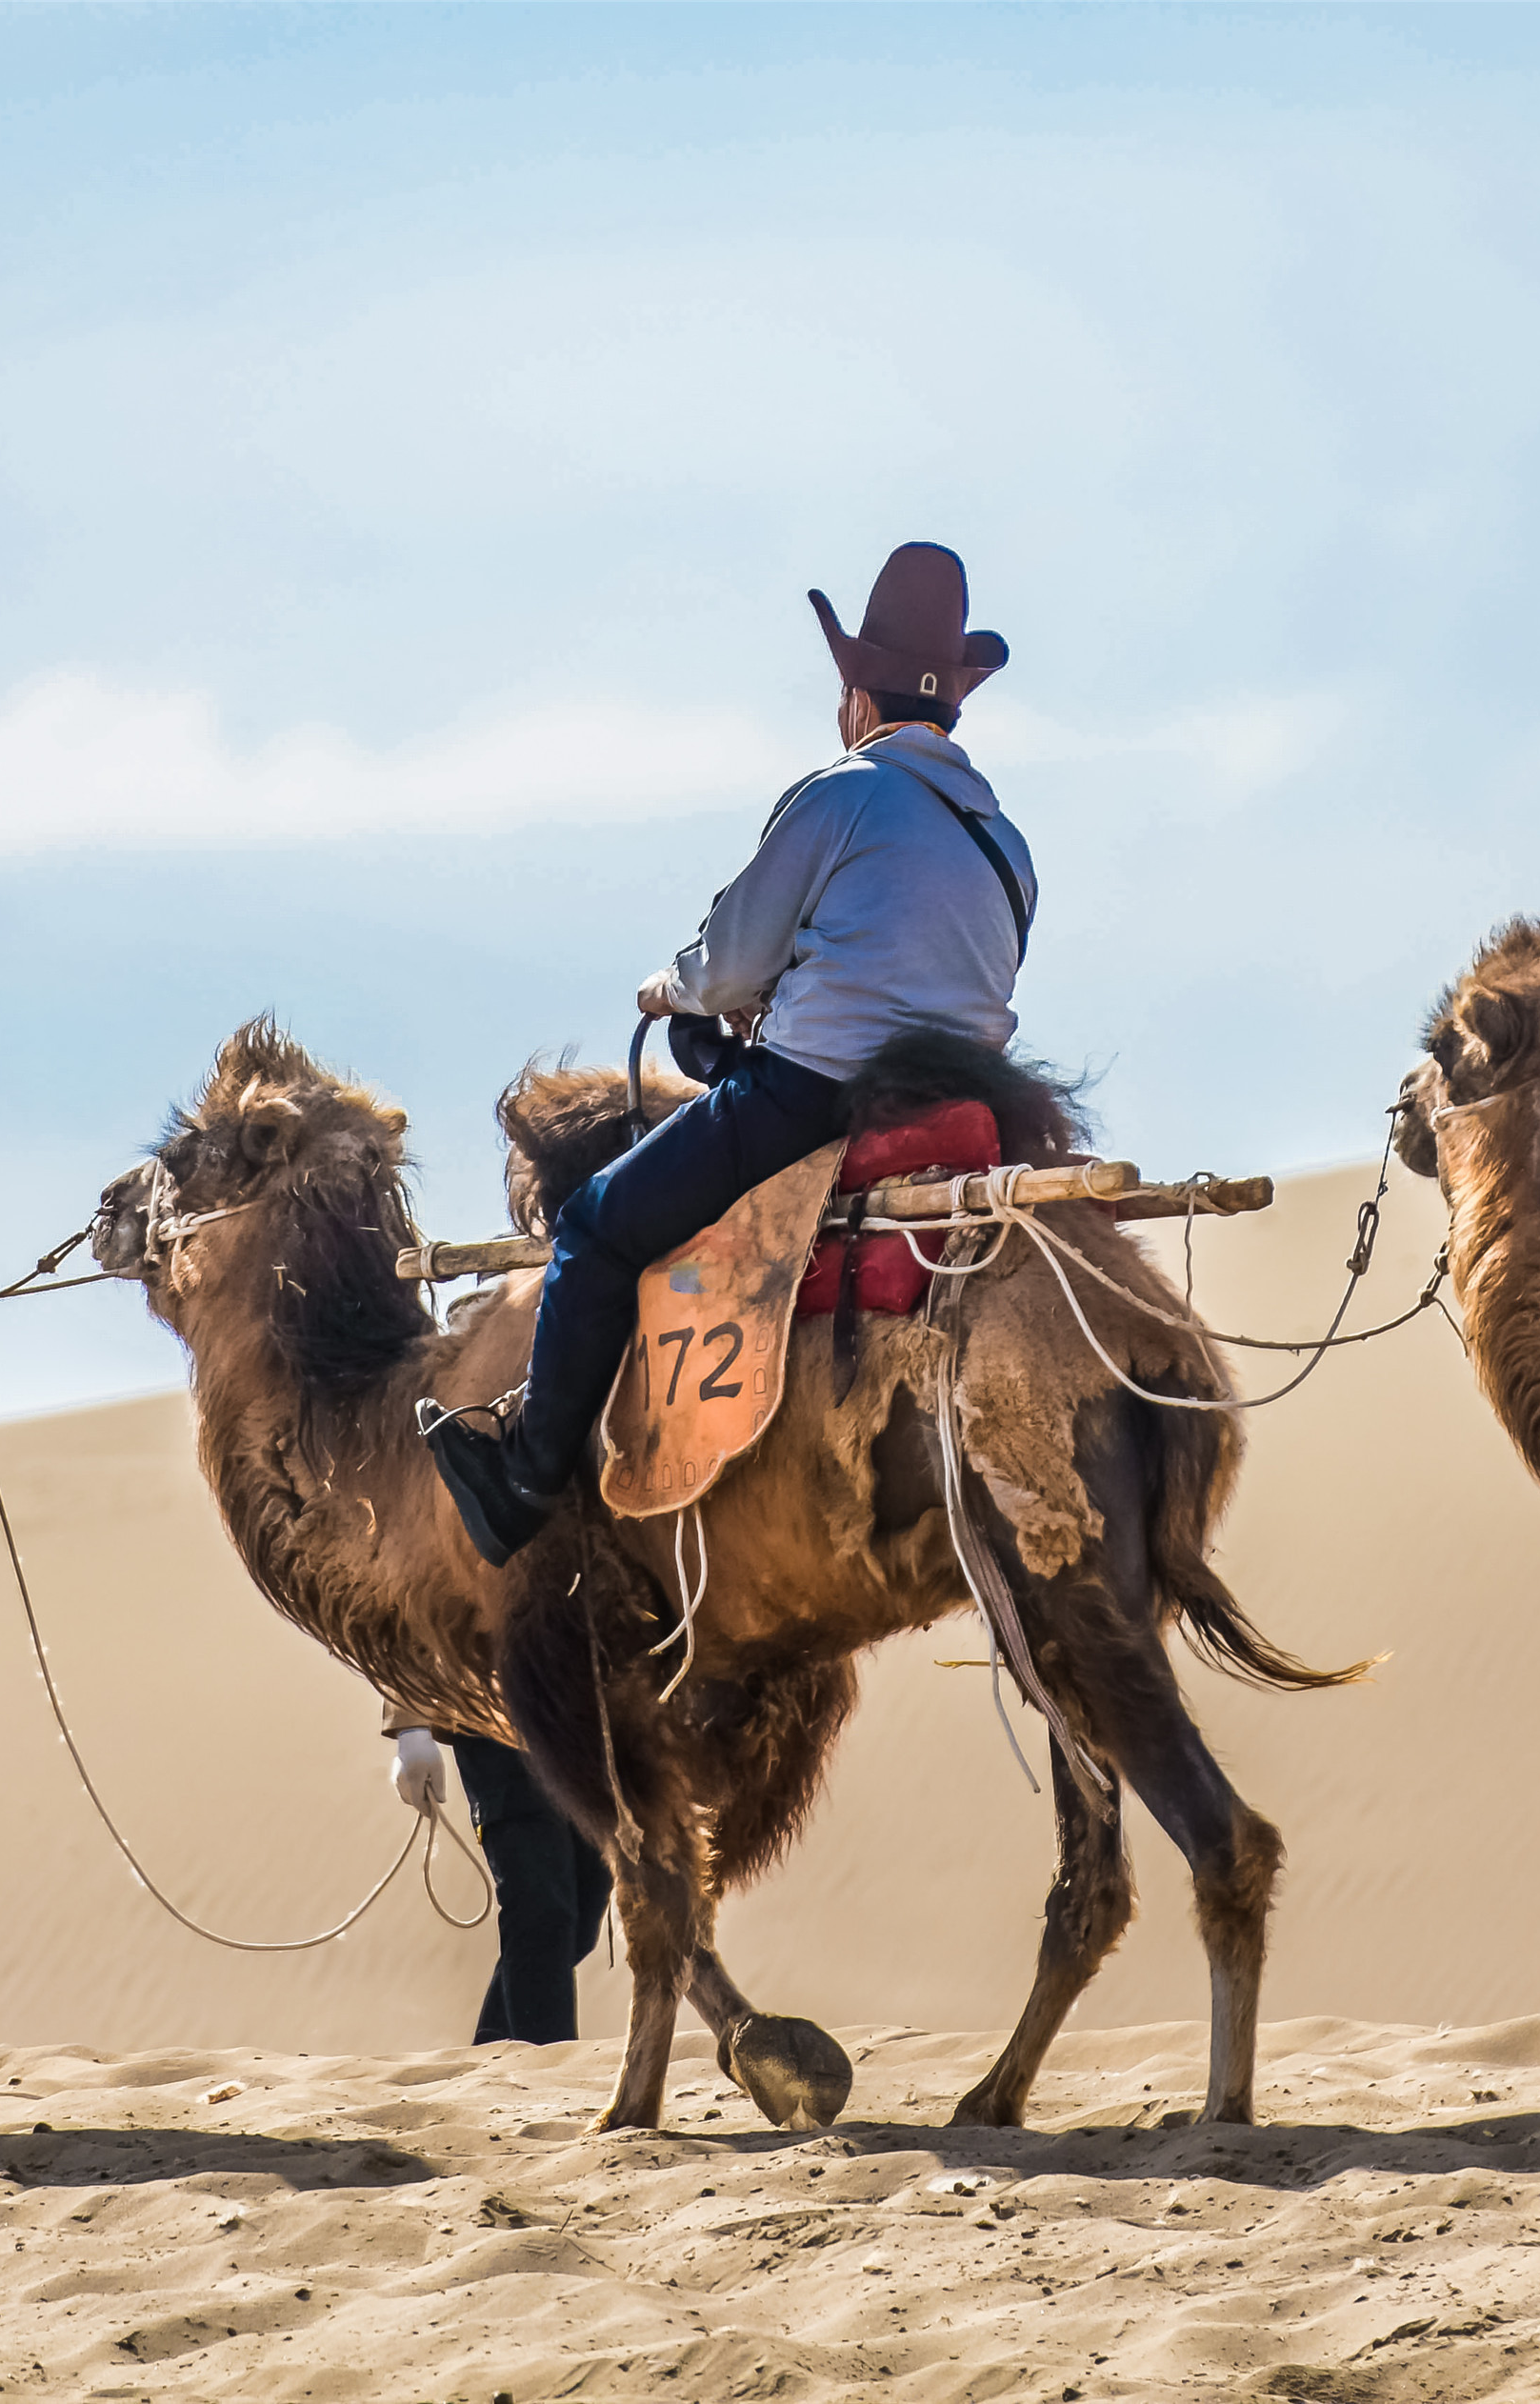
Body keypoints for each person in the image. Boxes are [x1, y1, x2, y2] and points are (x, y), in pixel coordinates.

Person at [430, 541, 1036, 1564]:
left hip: (813, 1094)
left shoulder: (841, 793)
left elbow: (728, 966)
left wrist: (670, 990)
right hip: (956, 1100)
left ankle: (526, 1479)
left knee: (595, 1226)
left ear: (857, 697)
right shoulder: (1006, 845)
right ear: (955, 709)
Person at [384, 1711, 614, 2045]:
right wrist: (411, 1727)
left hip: (588, 1719)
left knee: (583, 1908)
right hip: (490, 1711)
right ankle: (545, 2063)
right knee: (541, 1906)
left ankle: (493, 2052)